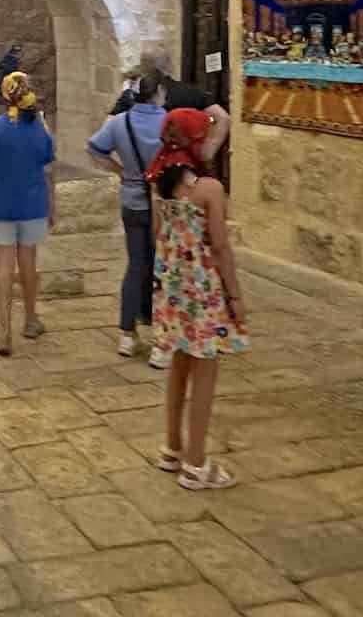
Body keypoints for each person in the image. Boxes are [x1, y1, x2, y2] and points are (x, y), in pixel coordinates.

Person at [149, 150, 249, 491]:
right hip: (204, 291)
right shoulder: (208, 188)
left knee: (179, 363)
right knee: (205, 373)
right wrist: (234, 295)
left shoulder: (162, 188)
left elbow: (158, 238)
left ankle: (172, 447)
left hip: (176, 290)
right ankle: (196, 463)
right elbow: (220, 245)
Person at [0, 71, 55, 357]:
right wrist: (51, 206)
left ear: (5, 95)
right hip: (33, 205)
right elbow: (48, 173)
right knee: (29, 263)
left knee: (4, 267)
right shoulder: (40, 130)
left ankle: (4, 332)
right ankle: (31, 320)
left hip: (3, 206)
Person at [87, 74, 166, 365]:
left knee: (136, 265)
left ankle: (127, 334)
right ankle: (161, 340)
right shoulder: (168, 122)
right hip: (163, 205)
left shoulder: (120, 122)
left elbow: (94, 148)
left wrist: (121, 172)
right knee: (162, 269)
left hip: (132, 198)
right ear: (158, 92)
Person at [136, 54, 232, 175]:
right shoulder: (189, 92)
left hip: (147, 170)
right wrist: (208, 152)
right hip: (186, 168)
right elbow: (222, 117)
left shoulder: (135, 98)